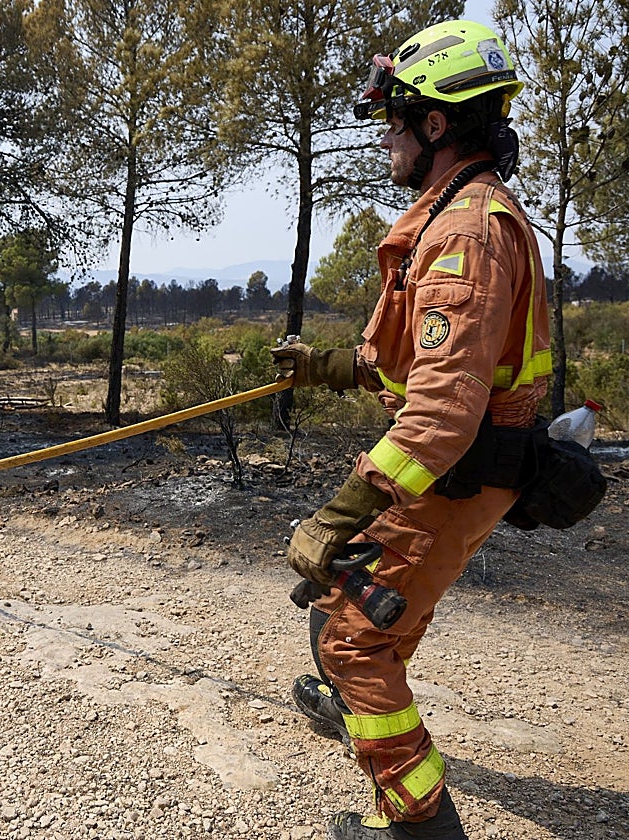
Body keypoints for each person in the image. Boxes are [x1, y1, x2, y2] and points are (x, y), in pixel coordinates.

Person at [271, 20, 551, 840]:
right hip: (449, 473)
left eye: (394, 122)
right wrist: (324, 366)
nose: (384, 139)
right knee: (348, 617)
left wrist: (335, 516)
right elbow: (408, 358)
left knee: (357, 642)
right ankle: (354, 700)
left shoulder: (465, 232)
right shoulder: (449, 217)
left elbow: (440, 412)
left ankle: (421, 828)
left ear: (435, 126)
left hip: (453, 475)